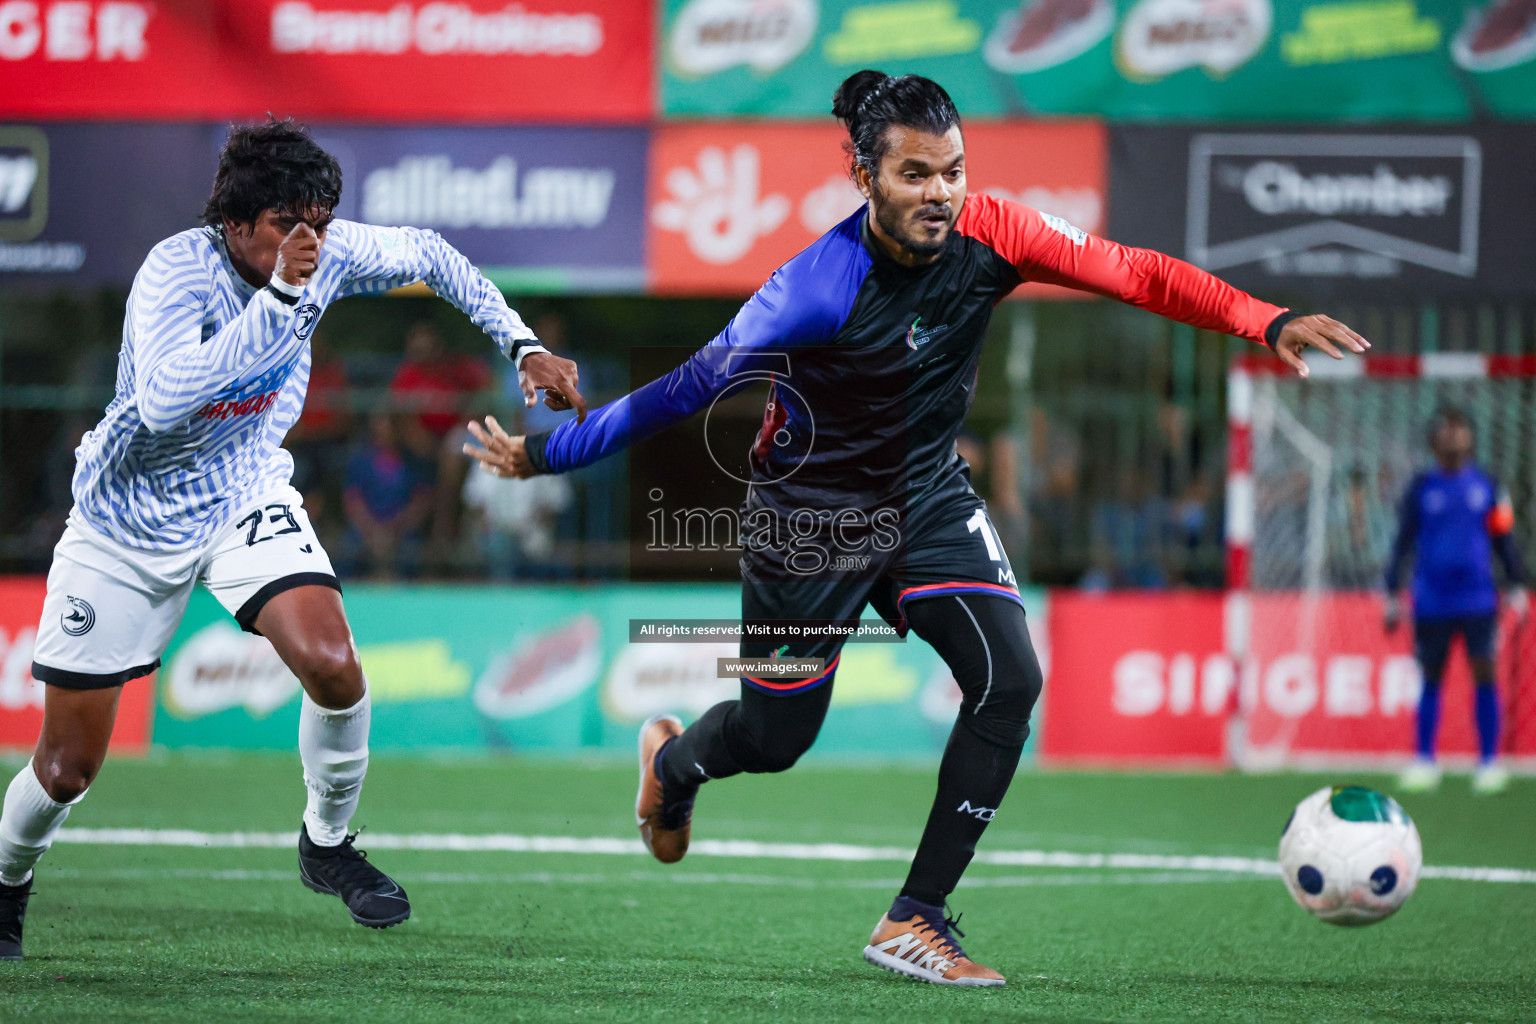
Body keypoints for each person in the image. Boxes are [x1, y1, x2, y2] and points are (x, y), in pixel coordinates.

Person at [466, 71, 1366, 986]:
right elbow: (689, 388)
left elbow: (1133, 271)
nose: (940, 193)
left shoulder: (997, 232)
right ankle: (676, 763)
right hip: (807, 524)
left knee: (1010, 678)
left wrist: (1265, 318)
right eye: (915, 175)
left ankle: (915, 917)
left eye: (953, 170)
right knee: (777, 741)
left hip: (928, 499)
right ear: (864, 176)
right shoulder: (813, 289)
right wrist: (546, 456)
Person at [0, 117, 585, 961]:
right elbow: (166, 401)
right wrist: (278, 297)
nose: (308, 239)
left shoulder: (324, 249)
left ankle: (327, 843)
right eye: (287, 223)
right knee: (65, 770)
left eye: (319, 219)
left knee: (334, 665)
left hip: (240, 493)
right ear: (236, 222)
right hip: (125, 521)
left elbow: (431, 254)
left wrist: (523, 345)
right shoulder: (175, 272)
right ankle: (9, 883)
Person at [1385, 408, 1528, 795]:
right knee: (1430, 677)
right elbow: (1401, 543)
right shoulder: (1420, 488)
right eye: (1445, 431)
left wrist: (1516, 583)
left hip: (1479, 600)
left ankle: (1488, 761)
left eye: (1459, 430)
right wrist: (1390, 592)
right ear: (1433, 439)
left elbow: (1504, 539)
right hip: (1430, 600)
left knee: (1485, 673)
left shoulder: (1488, 485)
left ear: (1470, 437)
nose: (1453, 438)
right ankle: (1425, 759)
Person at [339, 409, 434, 580]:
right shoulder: (360, 460)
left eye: (389, 423)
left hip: (402, 531)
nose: (384, 428)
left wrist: (395, 528)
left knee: (417, 551)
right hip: (365, 530)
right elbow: (352, 500)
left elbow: (420, 502)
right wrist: (371, 530)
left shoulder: (413, 461)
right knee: (347, 549)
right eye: (380, 422)